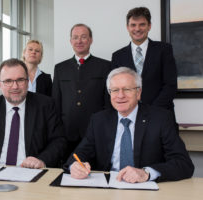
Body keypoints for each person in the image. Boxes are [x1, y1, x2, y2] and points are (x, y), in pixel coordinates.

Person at [65, 67, 194, 183]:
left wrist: (146, 173)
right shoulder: (99, 120)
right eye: (115, 90)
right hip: (107, 190)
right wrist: (75, 166)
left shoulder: (160, 119)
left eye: (127, 89)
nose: (120, 95)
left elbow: (184, 164)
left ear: (138, 93)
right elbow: (77, 155)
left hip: (146, 190)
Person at [52, 23, 111, 161]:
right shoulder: (60, 68)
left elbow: (108, 102)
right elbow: (56, 101)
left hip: (95, 131)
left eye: (84, 37)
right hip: (67, 132)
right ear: (70, 41)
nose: (79, 41)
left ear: (91, 40)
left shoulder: (105, 66)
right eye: (75, 37)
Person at [111, 7, 177, 118]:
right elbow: (115, 88)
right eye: (133, 25)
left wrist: (152, 110)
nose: (137, 29)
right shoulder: (118, 56)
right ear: (127, 27)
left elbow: (170, 85)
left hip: (160, 114)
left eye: (142, 24)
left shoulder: (164, 50)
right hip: (129, 115)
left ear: (149, 26)